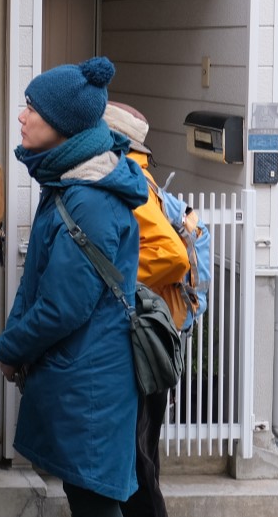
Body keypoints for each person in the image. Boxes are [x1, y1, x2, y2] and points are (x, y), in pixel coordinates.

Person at [0, 57, 147, 517]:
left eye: (32, 109)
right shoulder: (70, 183)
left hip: (93, 383)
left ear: (62, 124)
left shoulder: (88, 199)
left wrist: (9, 347)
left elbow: (63, 305)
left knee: (94, 503)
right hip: (86, 374)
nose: (21, 116)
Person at [102, 101, 191, 517]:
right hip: (155, 331)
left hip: (146, 338)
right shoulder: (137, 174)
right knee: (140, 454)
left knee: (139, 460)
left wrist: (114, 272)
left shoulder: (129, 177)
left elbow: (174, 256)